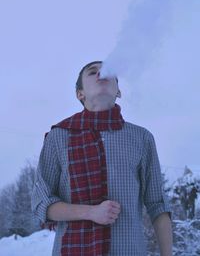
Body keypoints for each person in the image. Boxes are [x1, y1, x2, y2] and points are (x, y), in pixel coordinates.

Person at [31, 60, 172, 256]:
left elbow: (158, 204)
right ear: (80, 94)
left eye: (108, 71)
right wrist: (90, 212)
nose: (101, 73)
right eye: (92, 72)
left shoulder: (142, 138)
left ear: (118, 92)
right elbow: (41, 203)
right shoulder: (59, 136)